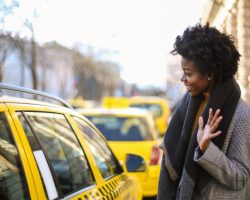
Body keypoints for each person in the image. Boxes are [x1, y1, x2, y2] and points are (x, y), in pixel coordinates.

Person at [157, 23, 250, 200]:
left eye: (188, 73)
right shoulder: (187, 104)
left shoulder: (242, 115)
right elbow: (172, 159)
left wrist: (206, 149)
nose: (183, 79)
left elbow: (240, 178)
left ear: (209, 73)